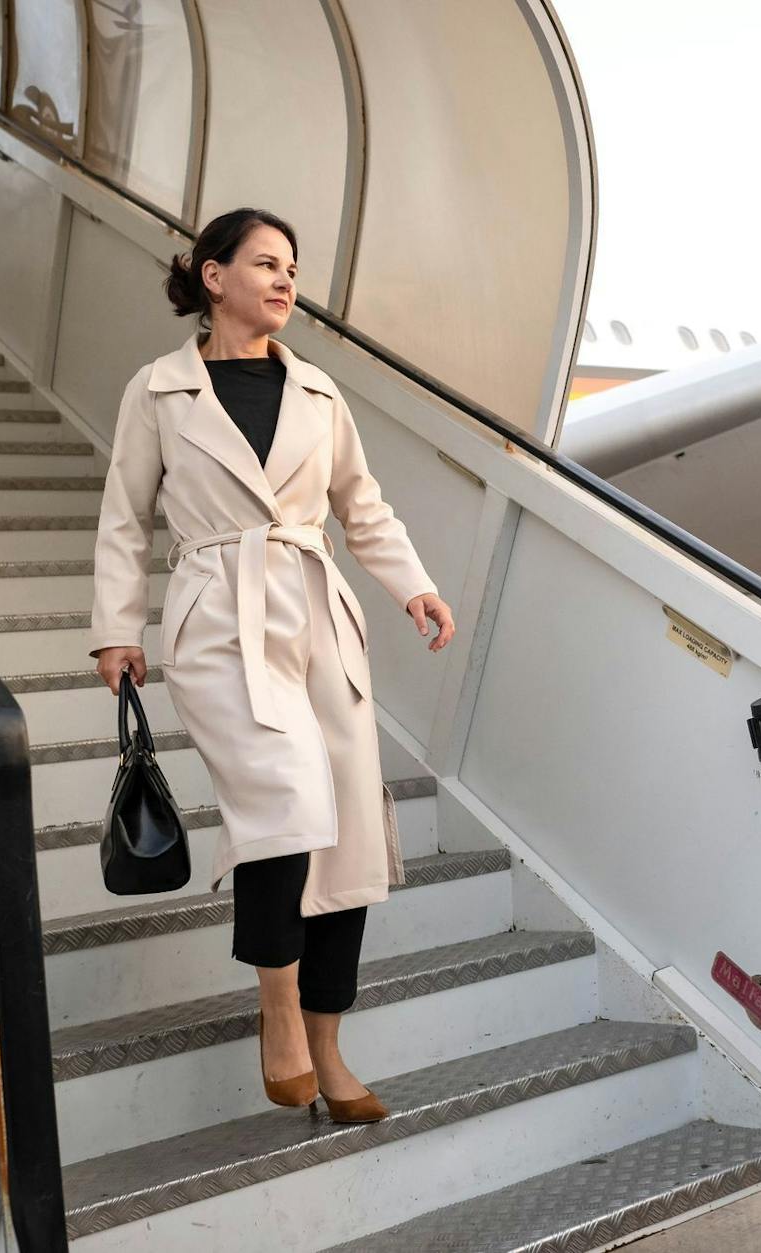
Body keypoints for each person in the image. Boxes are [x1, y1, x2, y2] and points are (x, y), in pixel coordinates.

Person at [87, 208, 456, 1124]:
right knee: (284, 802)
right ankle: (279, 1009)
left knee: (348, 839)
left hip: (316, 608)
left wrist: (413, 585)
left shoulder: (320, 393)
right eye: (265, 264)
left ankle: (330, 1049)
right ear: (213, 277)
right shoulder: (159, 390)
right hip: (219, 608)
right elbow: (126, 515)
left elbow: (360, 506)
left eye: (292, 267)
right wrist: (115, 628)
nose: (286, 281)